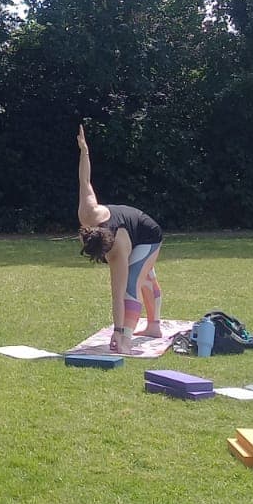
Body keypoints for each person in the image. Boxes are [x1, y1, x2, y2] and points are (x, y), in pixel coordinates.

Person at [76, 123, 165, 356]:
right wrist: (84, 151)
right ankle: (154, 327)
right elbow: (85, 181)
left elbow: (119, 295)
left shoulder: (117, 252)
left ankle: (133, 334)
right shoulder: (88, 213)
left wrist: (121, 334)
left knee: (133, 281)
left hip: (148, 234)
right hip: (133, 226)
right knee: (146, 274)